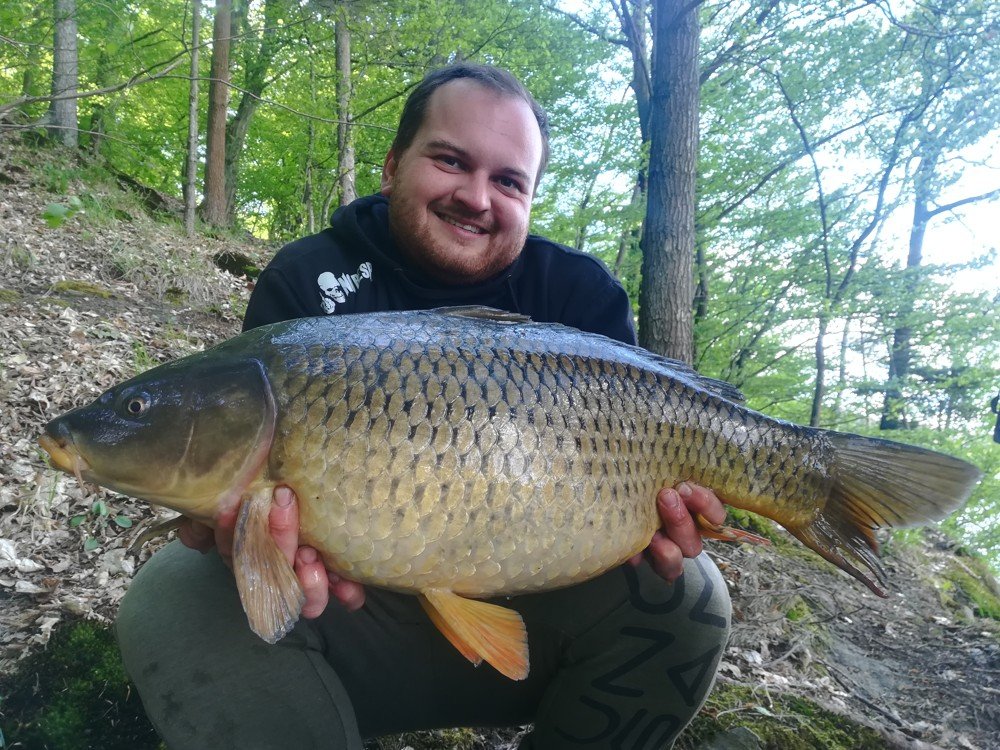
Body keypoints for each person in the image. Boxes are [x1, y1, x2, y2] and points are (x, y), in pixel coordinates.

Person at [116, 63, 732, 750]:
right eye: (450, 161)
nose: (476, 196)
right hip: (346, 630)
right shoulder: (308, 282)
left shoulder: (580, 298)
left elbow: (654, 509)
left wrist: (666, 523)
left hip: (543, 604)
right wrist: (253, 547)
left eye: (508, 181)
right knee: (175, 590)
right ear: (391, 166)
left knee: (690, 594)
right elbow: (260, 534)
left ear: (530, 198)